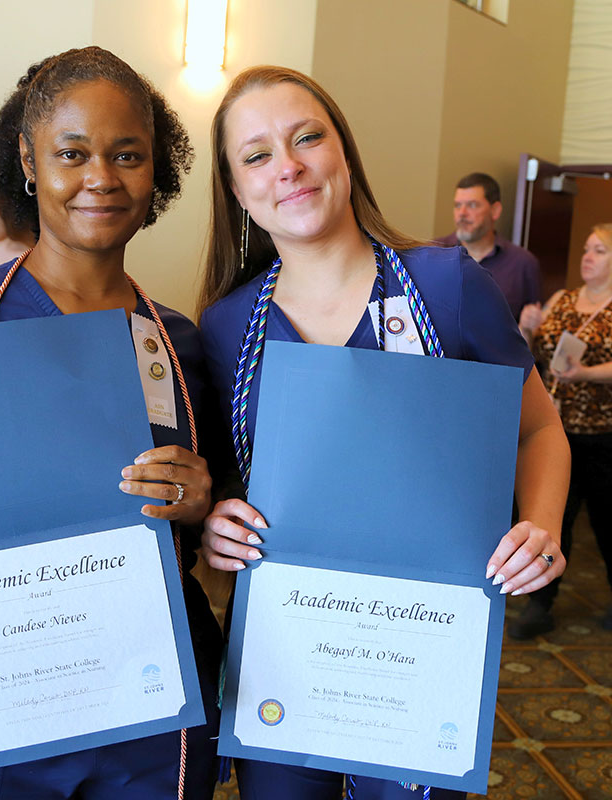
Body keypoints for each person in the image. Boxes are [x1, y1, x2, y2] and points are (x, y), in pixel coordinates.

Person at [196, 66, 570, 800]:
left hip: (421, 644)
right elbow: (226, 479)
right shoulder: (225, 326)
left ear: (345, 154)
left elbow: (538, 429)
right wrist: (215, 524)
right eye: (258, 155)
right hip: (284, 648)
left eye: (308, 138)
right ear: (237, 191)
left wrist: (544, 527)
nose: (290, 166)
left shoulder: (446, 288)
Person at [0, 46, 222, 799]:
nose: (101, 177)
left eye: (128, 155)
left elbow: (212, 517)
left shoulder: (179, 340)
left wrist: (197, 500)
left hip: (145, 695)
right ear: (28, 162)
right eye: (72, 153)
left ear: (157, 171)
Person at [513, 224, 612, 637]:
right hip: (555, 429)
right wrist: (527, 325)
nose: (587, 257)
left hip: (604, 434)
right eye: (587, 248)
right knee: (556, 519)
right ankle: (541, 603)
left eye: (600, 251)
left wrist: (585, 373)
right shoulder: (563, 299)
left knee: (607, 525)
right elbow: (530, 353)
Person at [435, 173, 541, 322]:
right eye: (457, 205)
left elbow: (528, 331)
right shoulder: (434, 253)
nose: (462, 213)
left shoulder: (523, 263)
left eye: (472, 205)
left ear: (495, 210)